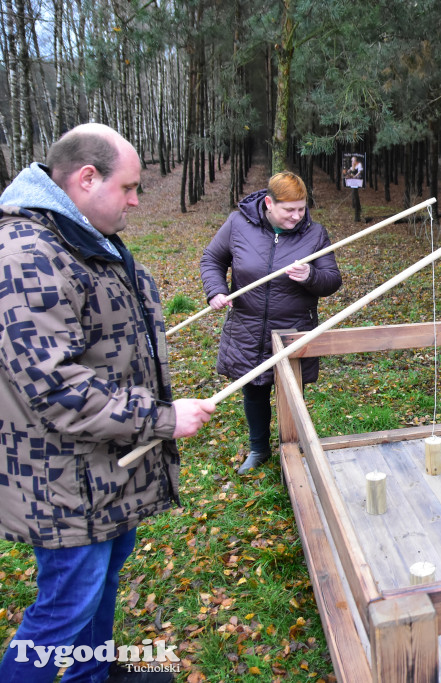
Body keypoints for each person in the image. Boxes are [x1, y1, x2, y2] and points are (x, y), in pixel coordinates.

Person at [0, 123, 216, 682]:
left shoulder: (77, 235)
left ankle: (89, 676)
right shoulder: (26, 252)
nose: (137, 200)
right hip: (63, 480)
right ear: (86, 178)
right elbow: (58, 388)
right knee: (64, 609)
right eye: (129, 188)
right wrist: (164, 419)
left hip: (105, 470)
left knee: (101, 582)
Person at [201, 171, 341, 474]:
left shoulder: (315, 234)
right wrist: (216, 290)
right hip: (247, 326)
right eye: (288, 210)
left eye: (301, 209)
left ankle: (292, 449)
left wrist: (311, 277)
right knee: (253, 388)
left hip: (292, 329)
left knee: (291, 393)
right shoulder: (238, 224)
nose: (297, 216)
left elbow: (332, 280)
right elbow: (212, 258)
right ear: (268, 203)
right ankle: (259, 449)